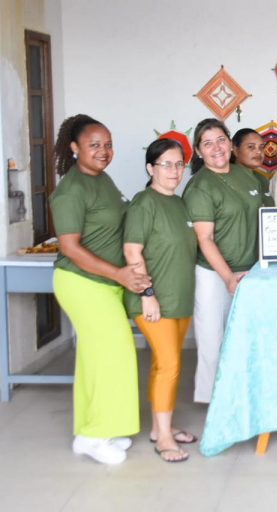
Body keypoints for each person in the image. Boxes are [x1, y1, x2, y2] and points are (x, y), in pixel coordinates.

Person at [50, 114, 151, 465]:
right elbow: (70, 248)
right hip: (83, 283)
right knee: (114, 355)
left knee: (95, 358)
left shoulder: (102, 179)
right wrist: (119, 274)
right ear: (74, 148)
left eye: (108, 144)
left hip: (105, 283)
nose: (103, 151)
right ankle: (96, 435)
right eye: (94, 145)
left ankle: (90, 432)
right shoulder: (71, 190)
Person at [123, 138, 198, 462]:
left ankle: (159, 427)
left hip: (179, 298)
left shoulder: (179, 204)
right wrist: (147, 295)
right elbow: (132, 252)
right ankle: (164, 439)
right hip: (154, 300)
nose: (174, 170)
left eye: (179, 164)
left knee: (163, 364)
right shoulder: (144, 203)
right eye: (166, 164)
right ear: (150, 168)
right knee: (169, 365)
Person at [182, 118, 267, 404]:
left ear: (230, 144)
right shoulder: (200, 186)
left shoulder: (247, 176)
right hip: (214, 274)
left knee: (244, 338)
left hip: (251, 271)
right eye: (208, 144)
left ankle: (240, 395)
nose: (216, 148)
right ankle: (214, 401)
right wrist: (228, 277)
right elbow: (204, 238)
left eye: (220, 140)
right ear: (198, 151)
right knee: (212, 340)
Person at [231, 128, 275, 206]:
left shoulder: (262, 179)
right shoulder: (227, 179)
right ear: (235, 150)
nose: (258, 152)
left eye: (261, 147)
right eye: (251, 147)